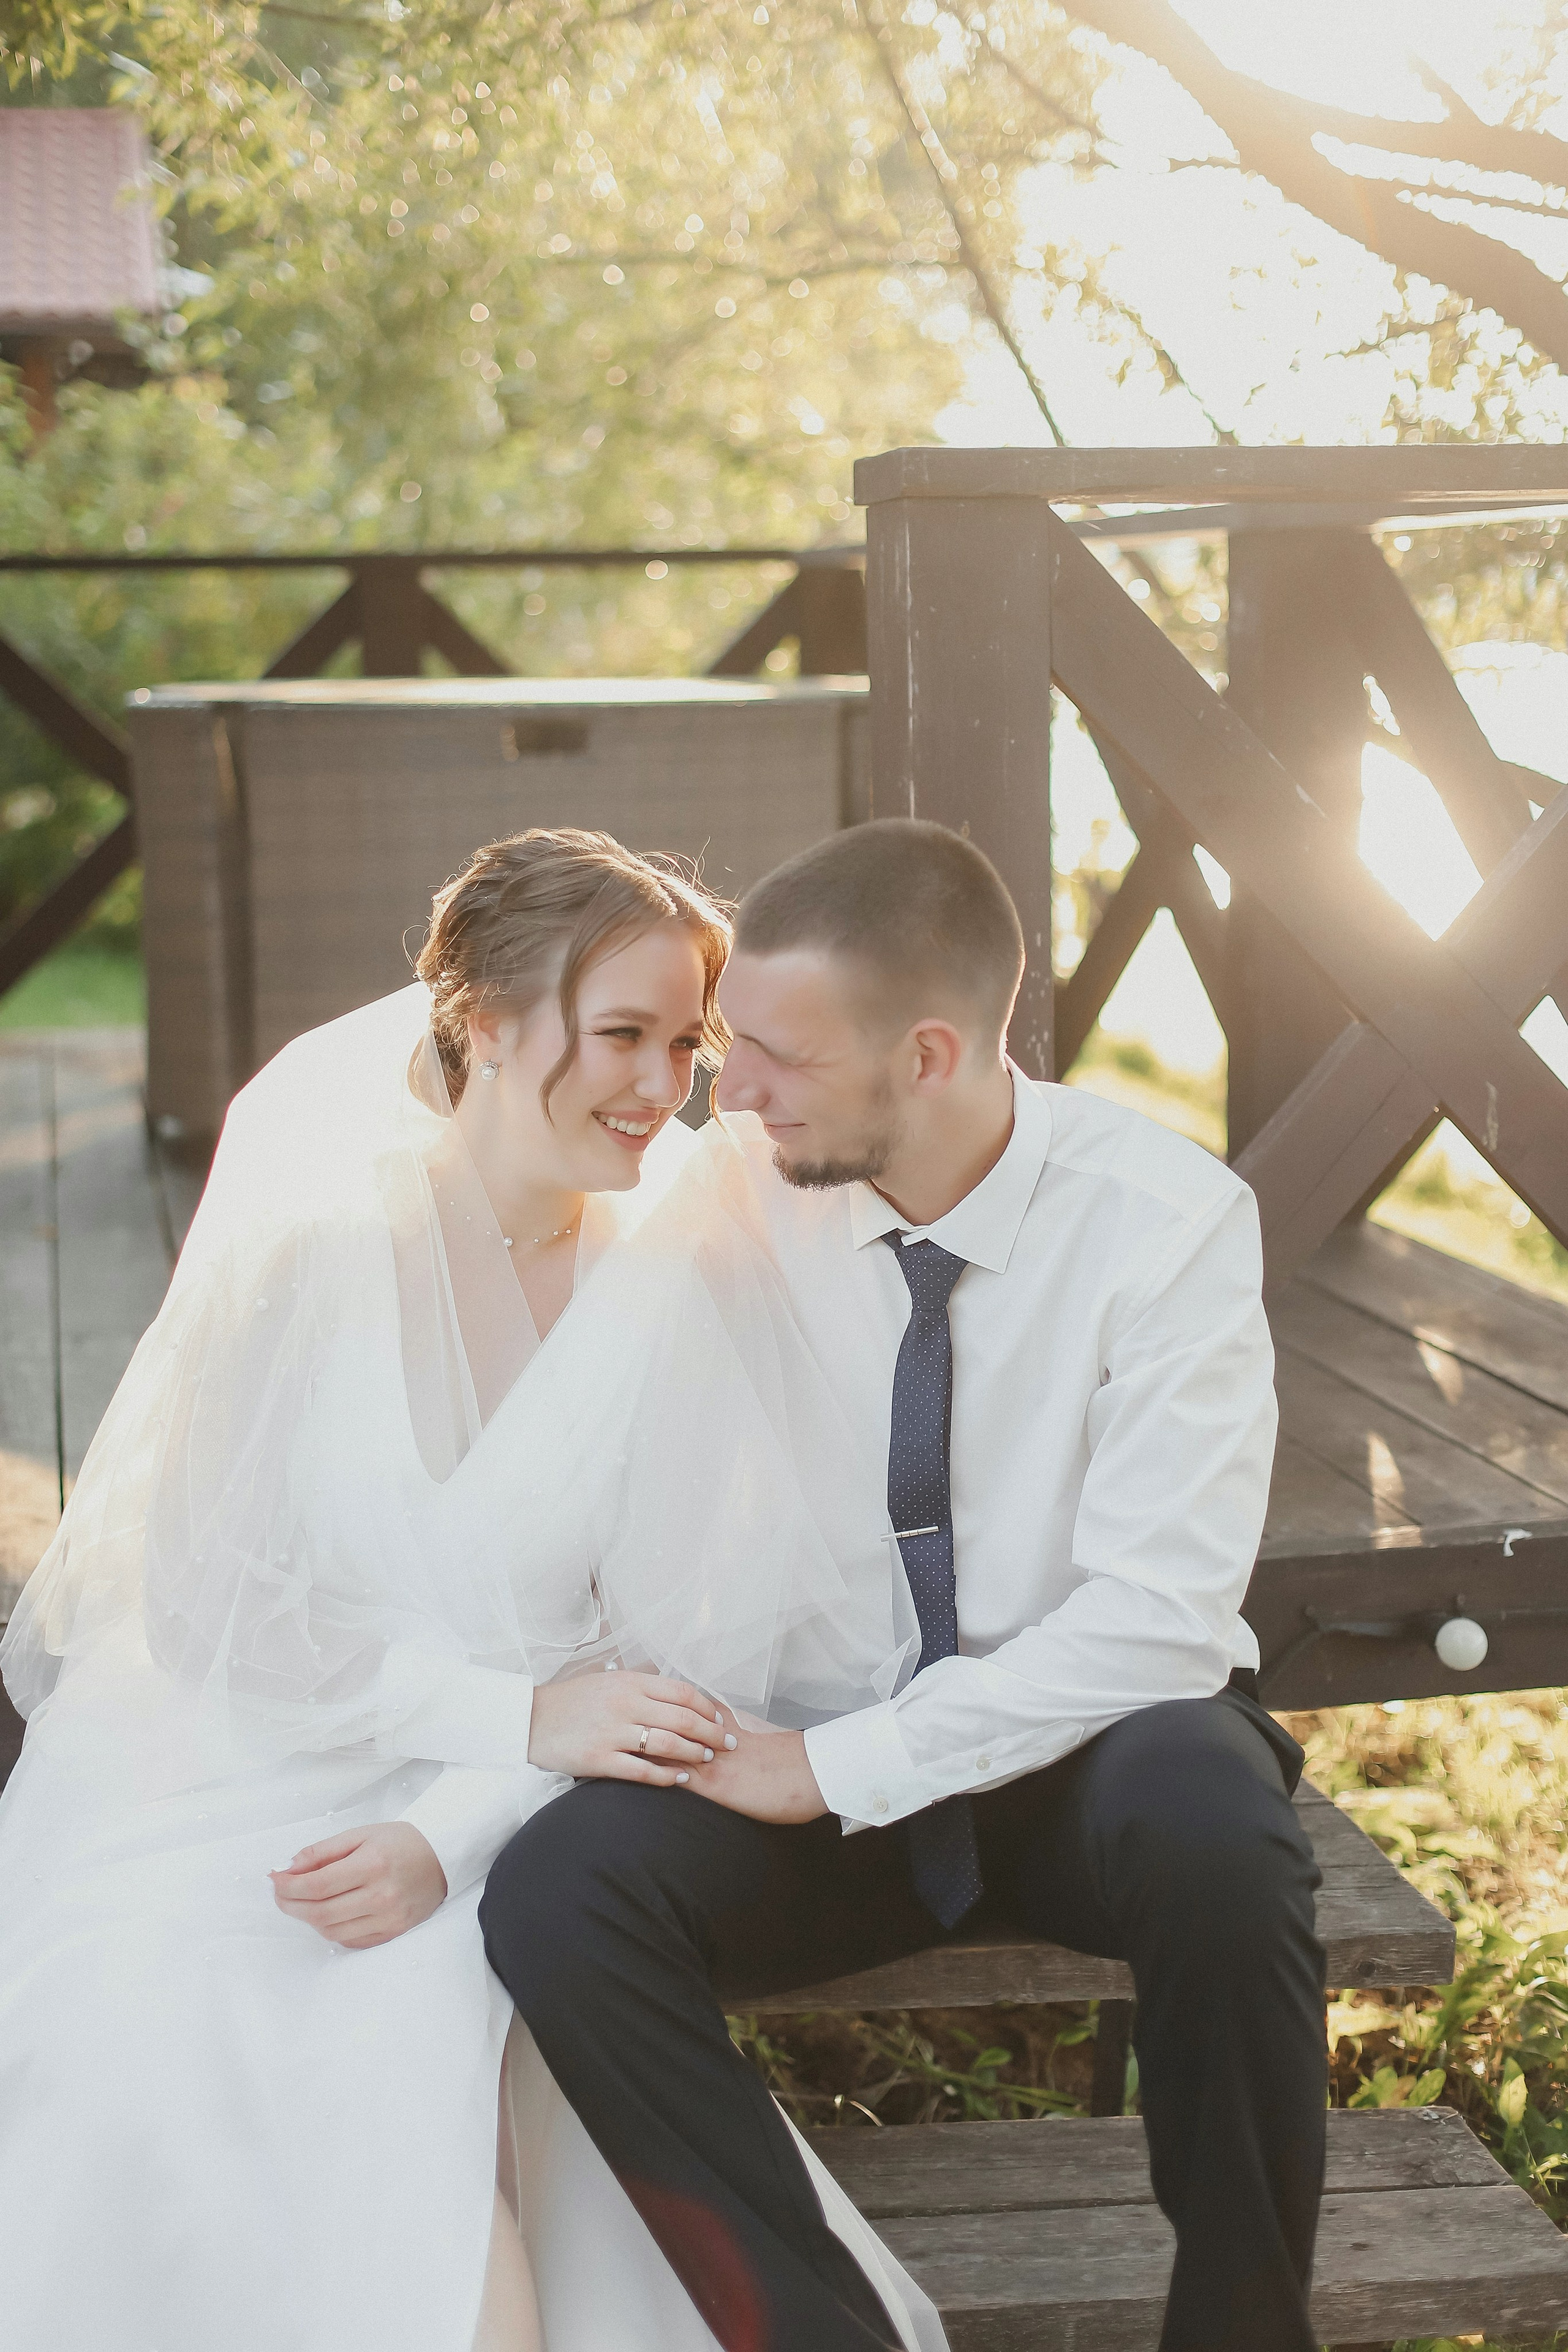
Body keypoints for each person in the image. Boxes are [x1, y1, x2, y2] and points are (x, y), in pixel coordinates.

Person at [0, 828, 945, 2352]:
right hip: (233, 1781)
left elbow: (666, 1669)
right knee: (149, 2034)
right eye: (622, 1034)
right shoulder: (310, 1253)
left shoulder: (676, 1280)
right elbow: (205, 1606)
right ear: (486, 1023)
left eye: (685, 1044)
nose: (663, 1087)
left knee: (432, 2060)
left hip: (493, 1819)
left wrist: (449, 1833)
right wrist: (515, 1715)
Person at [481, 818, 1327, 2352]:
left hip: (1087, 1752)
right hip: (813, 1754)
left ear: (927, 1055)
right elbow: (521, 1239)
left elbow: (1158, 1621)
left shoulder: (1167, 1222)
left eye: (777, 1057)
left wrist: (832, 1767)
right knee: (558, 1892)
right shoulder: (734, 1186)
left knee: (1218, 1829)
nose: (727, 1093)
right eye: (730, 1044)